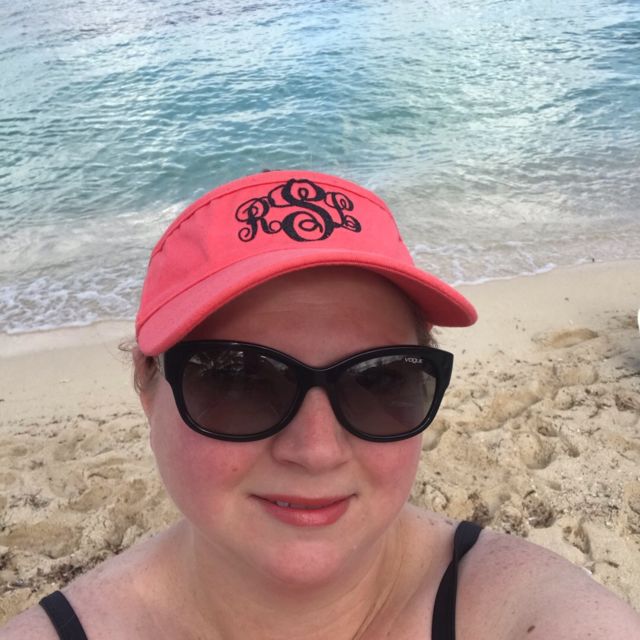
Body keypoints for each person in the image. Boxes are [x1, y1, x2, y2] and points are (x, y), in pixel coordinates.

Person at [1, 170, 638, 640]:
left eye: (378, 381)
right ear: (147, 384)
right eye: (240, 379)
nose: (316, 450)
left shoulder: (527, 613)